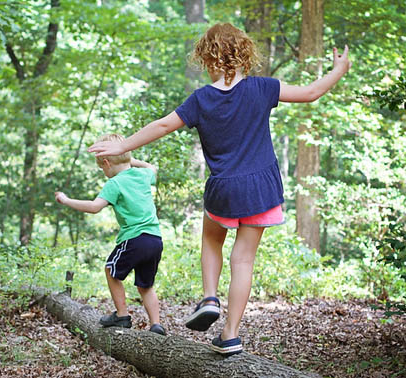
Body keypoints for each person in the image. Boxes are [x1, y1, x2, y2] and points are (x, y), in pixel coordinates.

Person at [88, 23, 351, 356]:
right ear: (243, 54)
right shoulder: (262, 88)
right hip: (262, 188)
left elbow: (163, 125)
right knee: (243, 261)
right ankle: (230, 334)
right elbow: (312, 92)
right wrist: (338, 69)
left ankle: (209, 296)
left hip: (224, 190)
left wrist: (123, 144)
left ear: (206, 58)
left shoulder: (201, 99)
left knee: (212, 239)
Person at [55, 133, 166, 336]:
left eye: (102, 168)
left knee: (110, 271)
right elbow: (153, 168)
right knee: (146, 285)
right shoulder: (142, 175)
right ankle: (156, 324)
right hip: (155, 239)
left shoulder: (114, 183)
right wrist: (127, 157)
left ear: (106, 162)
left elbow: (94, 207)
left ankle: (122, 316)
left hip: (134, 238)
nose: (103, 171)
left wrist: (67, 200)